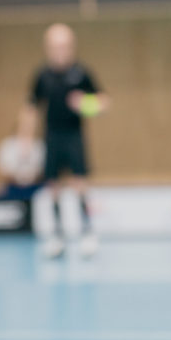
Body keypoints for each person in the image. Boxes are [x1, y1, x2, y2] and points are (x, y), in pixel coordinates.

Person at [28, 23, 106, 259]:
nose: (59, 51)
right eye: (54, 46)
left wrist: (86, 104)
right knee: (52, 187)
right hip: (51, 136)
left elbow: (104, 102)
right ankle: (57, 237)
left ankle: (87, 233)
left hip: (74, 136)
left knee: (79, 184)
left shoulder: (81, 73)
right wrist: (25, 138)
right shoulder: (42, 75)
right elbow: (31, 106)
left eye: (63, 46)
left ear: (71, 47)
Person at [0, 105, 45, 201]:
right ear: (19, 122)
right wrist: (19, 178)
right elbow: (3, 171)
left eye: (31, 122)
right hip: (12, 190)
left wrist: (30, 177)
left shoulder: (40, 146)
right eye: (25, 121)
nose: (28, 125)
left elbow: (42, 170)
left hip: (35, 190)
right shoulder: (7, 145)